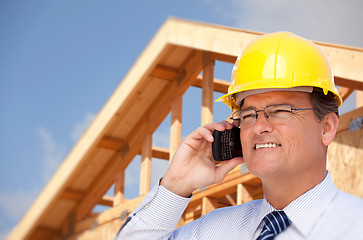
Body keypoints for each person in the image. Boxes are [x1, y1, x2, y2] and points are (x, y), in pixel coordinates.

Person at [115, 32, 363, 239]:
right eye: (248, 115)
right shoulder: (215, 231)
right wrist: (175, 186)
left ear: (327, 127)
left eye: (279, 111)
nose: (258, 126)